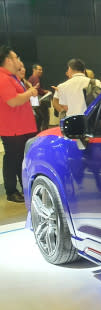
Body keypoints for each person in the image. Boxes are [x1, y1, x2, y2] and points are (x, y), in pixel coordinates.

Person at [0, 45, 38, 203]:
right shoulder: (3, 78)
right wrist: (30, 93)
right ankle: (11, 190)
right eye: (16, 57)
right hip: (13, 128)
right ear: (8, 60)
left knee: (21, 159)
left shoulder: (13, 77)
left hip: (24, 127)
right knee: (12, 159)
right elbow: (13, 101)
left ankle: (24, 187)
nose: (19, 60)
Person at [28, 63, 50, 131]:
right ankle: (43, 133)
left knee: (39, 118)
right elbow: (37, 90)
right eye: (39, 70)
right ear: (34, 70)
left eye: (41, 70)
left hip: (34, 101)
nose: (41, 71)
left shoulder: (31, 78)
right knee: (44, 118)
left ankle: (38, 132)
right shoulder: (35, 78)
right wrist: (44, 92)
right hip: (37, 101)